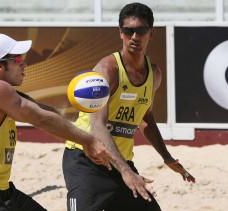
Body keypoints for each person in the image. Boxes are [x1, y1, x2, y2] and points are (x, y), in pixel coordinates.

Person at [0, 33, 114, 211]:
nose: (24, 63)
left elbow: (37, 109)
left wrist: (76, 129)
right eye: (17, 59)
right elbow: (41, 119)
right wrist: (88, 140)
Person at [63, 3, 196, 211]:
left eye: (141, 30)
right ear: (120, 33)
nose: (135, 36)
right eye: (128, 30)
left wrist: (167, 157)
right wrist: (126, 171)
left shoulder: (154, 74)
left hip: (119, 161)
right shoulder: (108, 70)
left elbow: (146, 119)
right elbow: (98, 125)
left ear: (150, 34)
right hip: (87, 160)